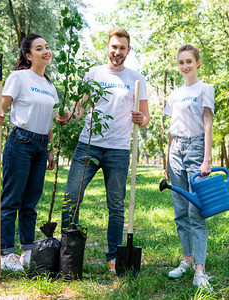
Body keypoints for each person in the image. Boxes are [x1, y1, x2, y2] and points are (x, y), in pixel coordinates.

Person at [56, 28, 149, 272]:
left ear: (128, 50)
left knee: (116, 206)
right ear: (107, 47)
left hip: (118, 150)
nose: (117, 52)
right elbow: (79, 110)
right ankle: (69, 255)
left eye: (122, 48)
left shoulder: (137, 79)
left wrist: (141, 118)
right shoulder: (93, 73)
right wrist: (66, 116)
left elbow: (145, 117)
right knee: (70, 198)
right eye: (114, 47)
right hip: (88, 145)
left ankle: (112, 257)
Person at [0, 33, 57, 272]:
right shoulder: (19, 77)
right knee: (11, 200)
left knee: (30, 203)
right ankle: (6, 253)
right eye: (39, 48)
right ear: (29, 55)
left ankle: (28, 250)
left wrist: (49, 149)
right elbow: (1, 108)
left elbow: (49, 119)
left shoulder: (50, 86)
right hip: (20, 142)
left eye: (47, 47)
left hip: (40, 146)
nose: (46, 51)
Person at [163, 44, 214, 292]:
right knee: (180, 211)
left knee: (196, 212)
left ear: (198, 63)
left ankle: (200, 271)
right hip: (175, 151)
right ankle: (187, 260)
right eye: (181, 62)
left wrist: (207, 158)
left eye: (189, 62)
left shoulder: (205, 89)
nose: (185, 66)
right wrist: (166, 159)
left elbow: (207, 122)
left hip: (196, 149)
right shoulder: (174, 94)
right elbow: (172, 129)